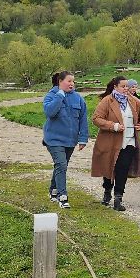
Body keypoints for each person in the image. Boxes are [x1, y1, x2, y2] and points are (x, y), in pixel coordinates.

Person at [91, 77, 140, 210]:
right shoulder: (107, 101)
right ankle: (107, 191)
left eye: (127, 86)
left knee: (122, 169)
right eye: (123, 86)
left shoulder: (133, 101)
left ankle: (118, 198)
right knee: (109, 168)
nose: (126, 89)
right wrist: (114, 126)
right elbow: (96, 119)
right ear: (115, 87)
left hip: (129, 142)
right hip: (110, 143)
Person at [42, 70, 87, 208]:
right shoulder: (51, 96)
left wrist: (83, 138)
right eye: (69, 81)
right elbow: (50, 112)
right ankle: (63, 196)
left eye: (73, 81)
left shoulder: (78, 98)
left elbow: (83, 119)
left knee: (61, 165)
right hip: (54, 139)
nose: (72, 84)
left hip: (70, 140)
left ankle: (53, 190)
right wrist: (60, 95)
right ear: (60, 82)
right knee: (61, 164)